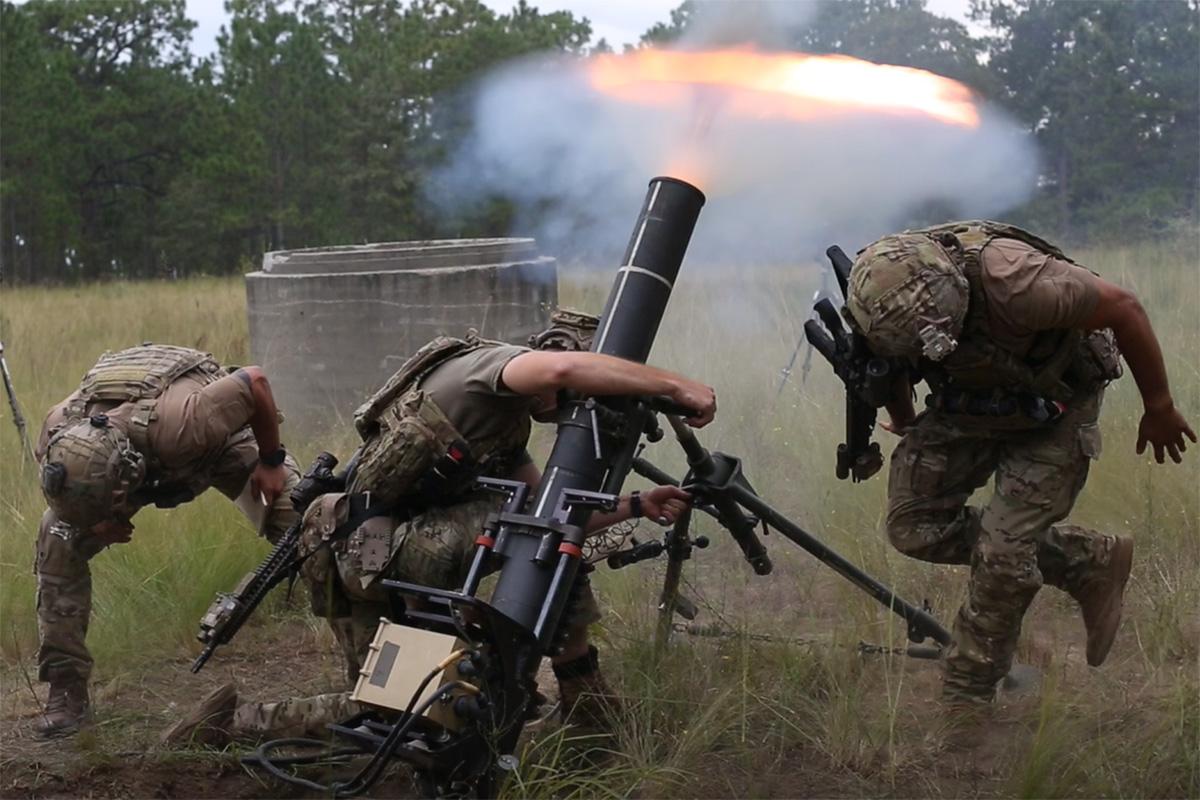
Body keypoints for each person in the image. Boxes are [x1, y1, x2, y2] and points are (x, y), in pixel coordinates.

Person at [163, 310, 717, 745]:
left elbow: (556, 508)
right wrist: (675, 385)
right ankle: (233, 724)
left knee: (397, 708)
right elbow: (560, 375)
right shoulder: (498, 368)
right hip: (360, 547)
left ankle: (580, 697)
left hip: (387, 542)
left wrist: (638, 504)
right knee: (399, 705)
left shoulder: (505, 424)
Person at [843, 220, 1195, 707]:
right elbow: (891, 360)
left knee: (1003, 555)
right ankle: (1086, 560)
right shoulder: (879, 290)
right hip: (967, 398)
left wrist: (1158, 407)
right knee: (912, 526)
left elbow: (1123, 308)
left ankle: (968, 696)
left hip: (1057, 403)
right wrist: (905, 421)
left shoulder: (1020, 282)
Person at [33, 344, 301, 737]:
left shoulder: (183, 426)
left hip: (216, 446)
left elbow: (254, 380)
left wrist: (271, 460)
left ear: (127, 477)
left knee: (304, 522)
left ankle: (363, 671)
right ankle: (65, 690)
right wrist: (94, 525)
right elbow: (60, 491)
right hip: (118, 463)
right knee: (55, 537)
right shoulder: (57, 435)